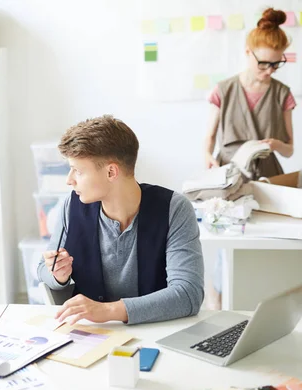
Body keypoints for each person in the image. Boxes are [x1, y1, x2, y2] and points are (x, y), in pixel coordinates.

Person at [37, 116, 204, 325]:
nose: (69, 180)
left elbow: (188, 294)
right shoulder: (71, 206)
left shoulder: (174, 208)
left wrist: (109, 311)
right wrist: (58, 275)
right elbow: (43, 270)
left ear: (111, 171)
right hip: (92, 336)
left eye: (78, 170)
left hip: (158, 331)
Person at [204, 7, 295, 178]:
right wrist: (208, 155)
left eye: (276, 64)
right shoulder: (223, 90)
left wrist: (275, 145)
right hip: (228, 174)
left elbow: (289, 150)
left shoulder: (283, 94)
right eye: (264, 63)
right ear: (248, 52)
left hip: (268, 177)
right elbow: (210, 136)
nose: (269, 71)